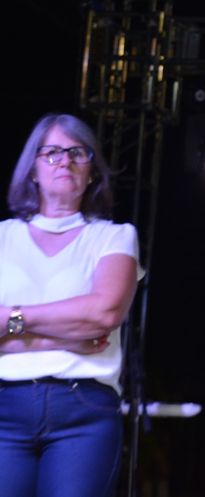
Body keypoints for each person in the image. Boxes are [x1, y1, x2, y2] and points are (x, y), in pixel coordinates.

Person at [0, 113, 140, 497]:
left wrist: (11, 319)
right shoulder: (3, 238)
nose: (65, 161)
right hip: (4, 406)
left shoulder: (114, 238)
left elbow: (103, 314)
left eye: (78, 153)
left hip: (83, 412)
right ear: (32, 169)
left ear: (92, 172)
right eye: (52, 153)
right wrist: (62, 338)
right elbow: (84, 324)